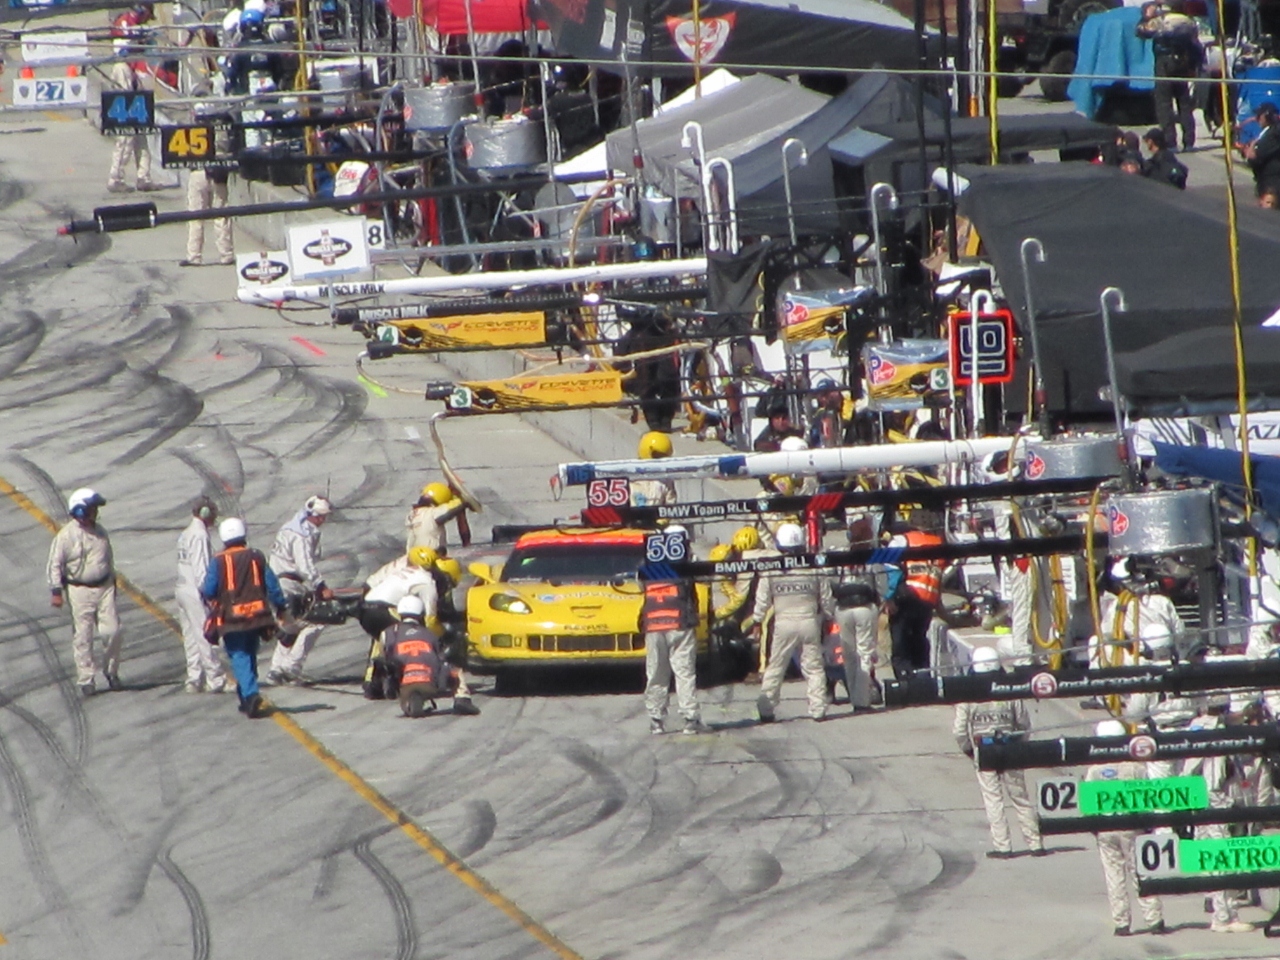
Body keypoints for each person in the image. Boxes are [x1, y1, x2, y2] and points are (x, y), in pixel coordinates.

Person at [952, 646, 1045, 858]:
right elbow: (1023, 723)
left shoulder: (967, 693)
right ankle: (1035, 844)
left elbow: (959, 731)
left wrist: (969, 750)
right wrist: (1019, 744)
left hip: (983, 749)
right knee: (1021, 797)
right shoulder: (1010, 690)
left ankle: (1003, 847)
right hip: (1011, 746)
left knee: (993, 800)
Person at [745, 522, 835, 723]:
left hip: (783, 623)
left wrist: (757, 621)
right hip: (809, 621)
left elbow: (762, 598)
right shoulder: (813, 566)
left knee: (776, 666)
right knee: (813, 667)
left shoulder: (772, 568)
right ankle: (818, 708)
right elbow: (826, 597)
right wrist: (829, 617)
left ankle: (766, 708)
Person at [1087, 720, 1167, 936]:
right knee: (1141, 872)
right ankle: (1154, 919)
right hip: (1133, 825)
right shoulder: (1135, 767)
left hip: (1106, 827)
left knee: (1114, 875)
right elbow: (1148, 797)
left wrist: (1095, 825)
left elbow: (1088, 804)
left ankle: (1122, 922)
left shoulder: (1094, 771)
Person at [200, 517, 286, 718]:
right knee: (249, 653)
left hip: (232, 619)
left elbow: (209, 589)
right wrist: (280, 606)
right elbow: (272, 585)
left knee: (239, 655)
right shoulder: (256, 556)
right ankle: (246, 697)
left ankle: (250, 694)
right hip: (258, 616)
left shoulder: (219, 561)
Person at [47, 488, 123, 697]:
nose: (95, 513)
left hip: (104, 587)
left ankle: (111, 671)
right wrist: (56, 590)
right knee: (83, 635)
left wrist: (112, 583)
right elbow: (55, 564)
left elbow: (108, 559)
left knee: (113, 631)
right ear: (80, 511)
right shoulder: (66, 536)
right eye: (91, 509)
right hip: (79, 590)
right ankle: (86, 678)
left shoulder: (101, 532)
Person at [641, 527, 703, 735]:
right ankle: (690, 718)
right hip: (680, 624)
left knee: (656, 673)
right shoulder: (686, 565)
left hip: (654, 625)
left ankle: (656, 719)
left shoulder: (649, 565)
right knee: (684, 672)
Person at [265, 496, 333, 685]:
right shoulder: (301, 535)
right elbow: (305, 565)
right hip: (289, 585)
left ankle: (276, 670)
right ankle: (291, 667)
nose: (324, 521)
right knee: (316, 622)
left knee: (290, 628)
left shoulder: (289, 527)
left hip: (278, 585)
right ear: (316, 516)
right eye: (322, 517)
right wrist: (320, 586)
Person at [359, 546, 439, 699]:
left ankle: (372, 682)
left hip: (365, 608)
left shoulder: (401, 570)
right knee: (404, 637)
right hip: (383, 609)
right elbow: (430, 616)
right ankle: (397, 679)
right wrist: (433, 636)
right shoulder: (428, 581)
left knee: (381, 641)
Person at [175, 496, 226, 693]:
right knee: (205, 634)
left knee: (190, 636)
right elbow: (201, 568)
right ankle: (215, 679)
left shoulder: (186, 533)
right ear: (206, 513)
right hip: (195, 591)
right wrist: (210, 595)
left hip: (182, 588)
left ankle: (194, 677)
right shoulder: (199, 535)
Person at [1136, 0, 1202, 151]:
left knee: (1164, 103)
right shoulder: (1189, 22)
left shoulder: (1162, 22)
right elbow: (1195, 44)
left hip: (1164, 63)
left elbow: (1141, 32)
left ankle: (1170, 141)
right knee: (1184, 103)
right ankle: (1189, 141)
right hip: (1182, 63)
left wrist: (1146, 17)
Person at [884, 522, 945, 680]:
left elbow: (892, 570)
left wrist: (889, 597)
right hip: (928, 599)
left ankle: (905, 681)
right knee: (919, 639)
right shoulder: (937, 541)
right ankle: (923, 679)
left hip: (906, 596)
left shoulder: (901, 540)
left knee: (900, 640)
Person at [384, 595, 456, 717]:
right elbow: (439, 655)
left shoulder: (389, 632)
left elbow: (384, 654)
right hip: (431, 686)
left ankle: (388, 691)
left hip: (404, 685)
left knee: (382, 662)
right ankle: (460, 695)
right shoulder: (430, 634)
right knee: (446, 662)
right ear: (421, 614)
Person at [106, 44, 156, 193]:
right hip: (125, 111)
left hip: (137, 109)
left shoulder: (131, 68)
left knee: (142, 145)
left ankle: (143, 178)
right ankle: (115, 179)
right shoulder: (121, 67)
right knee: (124, 144)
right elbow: (126, 92)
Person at [833, 564, 882, 712]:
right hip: (865, 607)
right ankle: (862, 700)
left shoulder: (841, 562)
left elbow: (831, 585)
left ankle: (854, 696)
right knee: (865, 654)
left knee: (849, 655)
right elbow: (880, 585)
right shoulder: (872, 561)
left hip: (842, 609)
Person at [405, 482, 468, 554]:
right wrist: (457, 497)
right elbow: (457, 505)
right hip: (429, 558)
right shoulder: (431, 513)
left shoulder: (411, 514)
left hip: (413, 557)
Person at [631, 431, 678, 507]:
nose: (661, 460)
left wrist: (662, 518)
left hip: (657, 517)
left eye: (664, 457)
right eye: (657, 456)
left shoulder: (666, 480)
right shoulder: (631, 476)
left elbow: (670, 504)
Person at [1246, 103, 1280, 202]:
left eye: (1259, 116)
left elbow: (1255, 158)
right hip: (1265, 180)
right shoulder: (1268, 133)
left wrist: (1251, 148)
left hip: (1271, 183)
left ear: (1265, 116)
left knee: (1267, 214)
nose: (1257, 119)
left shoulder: (1272, 135)